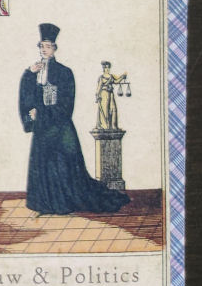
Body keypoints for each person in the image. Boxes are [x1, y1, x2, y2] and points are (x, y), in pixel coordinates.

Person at [18, 23, 129, 215]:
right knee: (43, 166)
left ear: (55, 48)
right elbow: (28, 97)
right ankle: (44, 204)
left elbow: (66, 106)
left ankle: (62, 204)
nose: (44, 50)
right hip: (43, 130)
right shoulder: (34, 71)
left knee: (62, 167)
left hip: (61, 130)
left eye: (48, 46)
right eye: (41, 46)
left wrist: (41, 114)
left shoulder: (65, 72)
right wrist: (28, 74)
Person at [96, 61, 129, 130]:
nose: (107, 69)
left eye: (108, 68)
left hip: (111, 94)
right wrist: (97, 95)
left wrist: (122, 77)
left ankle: (113, 126)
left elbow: (116, 82)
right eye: (106, 68)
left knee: (113, 109)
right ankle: (105, 126)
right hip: (104, 94)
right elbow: (99, 88)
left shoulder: (111, 76)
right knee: (105, 110)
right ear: (104, 69)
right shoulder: (101, 77)